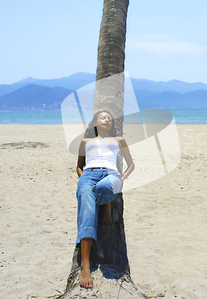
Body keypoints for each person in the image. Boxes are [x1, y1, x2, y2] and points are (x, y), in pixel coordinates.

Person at [75, 110, 135, 289]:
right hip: (88, 175)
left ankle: (106, 203)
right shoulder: (86, 142)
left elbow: (131, 164)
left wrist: (121, 180)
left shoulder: (119, 140)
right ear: (95, 123)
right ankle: (85, 267)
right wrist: (84, 180)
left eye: (109, 118)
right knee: (87, 215)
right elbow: (78, 167)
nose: (107, 120)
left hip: (110, 174)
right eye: (103, 118)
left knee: (103, 187)